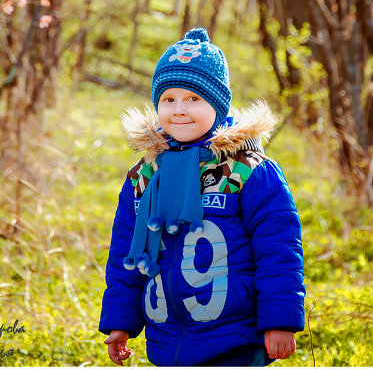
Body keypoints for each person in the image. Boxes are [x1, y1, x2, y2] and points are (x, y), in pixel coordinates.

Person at [99, 28, 305, 367]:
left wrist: (280, 320)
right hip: (165, 338)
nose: (179, 110)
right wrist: (120, 322)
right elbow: (125, 252)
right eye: (169, 99)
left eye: (194, 98)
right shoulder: (144, 175)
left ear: (218, 104)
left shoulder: (247, 172)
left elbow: (278, 249)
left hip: (235, 337)